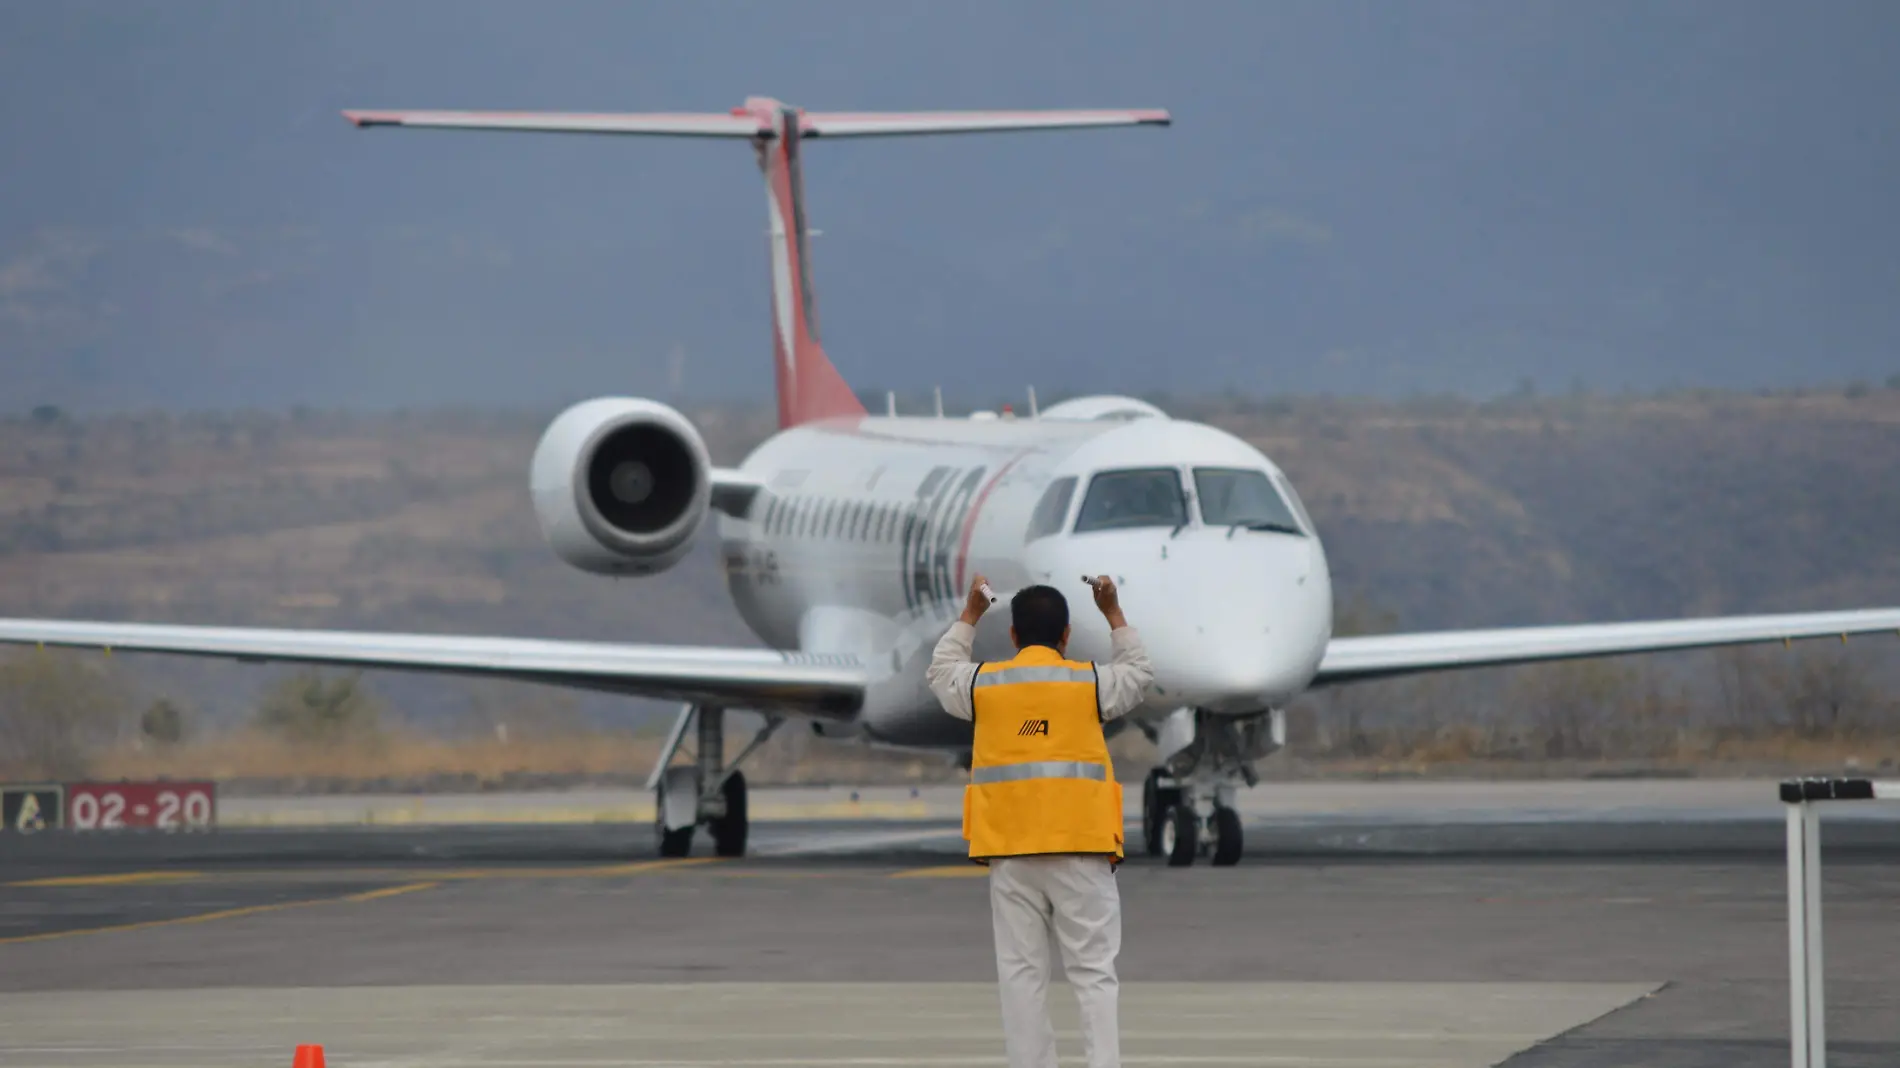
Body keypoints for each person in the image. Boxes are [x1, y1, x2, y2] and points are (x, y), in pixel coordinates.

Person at [927, 573, 1156, 1068]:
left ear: (1012, 636)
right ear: (1066, 636)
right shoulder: (1090, 682)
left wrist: (971, 614)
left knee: (1021, 976)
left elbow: (942, 670)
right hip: (1082, 849)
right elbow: (1138, 673)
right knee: (1094, 974)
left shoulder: (985, 684)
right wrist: (1114, 613)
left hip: (1011, 853)